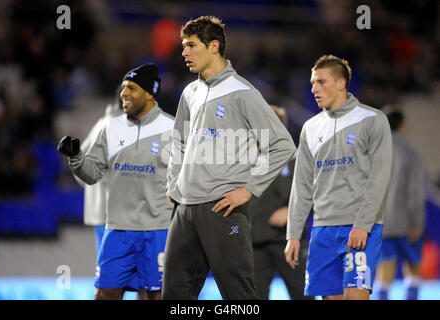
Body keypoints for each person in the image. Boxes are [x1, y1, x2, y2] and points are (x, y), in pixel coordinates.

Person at [163, 16, 296, 300]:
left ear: (213, 46)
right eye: (183, 46)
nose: (184, 52)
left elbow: (282, 145)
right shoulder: (190, 92)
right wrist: (174, 183)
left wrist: (248, 189)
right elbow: (179, 141)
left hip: (222, 210)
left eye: (190, 45)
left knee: (239, 296)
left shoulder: (243, 92)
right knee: (175, 293)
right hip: (185, 209)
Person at [57, 63, 175, 300]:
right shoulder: (111, 127)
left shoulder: (172, 130)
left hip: (156, 231)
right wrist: (76, 157)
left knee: (155, 295)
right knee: (104, 294)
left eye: (131, 87)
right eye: (123, 88)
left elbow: (185, 181)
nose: (123, 93)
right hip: (118, 230)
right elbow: (92, 174)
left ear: (149, 92)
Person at [284, 54, 393, 300]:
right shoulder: (310, 128)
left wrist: (363, 224)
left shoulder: (373, 120)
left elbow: (380, 179)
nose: (313, 88)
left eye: (321, 82)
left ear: (341, 83)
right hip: (322, 230)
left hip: (360, 227)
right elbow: (301, 187)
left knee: (355, 297)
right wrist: (293, 234)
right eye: (312, 82)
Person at [250, 105, 313, 300]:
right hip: (254, 243)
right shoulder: (246, 159)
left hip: (288, 241)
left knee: (302, 296)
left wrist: (290, 211)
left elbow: (315, 193)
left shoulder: (296, 157)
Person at [375, 110, 426, 300]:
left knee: (384, 272)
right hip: (406, 223)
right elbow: (415, 192)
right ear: (402, 125)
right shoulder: (411, 153)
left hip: (382, 223)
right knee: (413, 269)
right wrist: (417, 222)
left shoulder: (374, 153)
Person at [73, 88, 123, 254]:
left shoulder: (102, 123)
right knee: (119, 267)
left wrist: (91, 187)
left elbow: (78, 163)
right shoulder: (122, 127)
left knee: (105, 266)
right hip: (118, 212)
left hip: (99, 210)